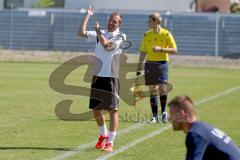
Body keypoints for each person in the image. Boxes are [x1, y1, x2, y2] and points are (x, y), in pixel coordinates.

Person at [78, 7, 126, 152]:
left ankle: (110, 142)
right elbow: (81, 33)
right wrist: (87, 16)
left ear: (119, 24)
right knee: (96, 108)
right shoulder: (102, 32)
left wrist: (99, 32)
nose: (111, 23)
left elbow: (107, 46)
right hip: (97, 75)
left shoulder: (121, 36)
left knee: (113, 110)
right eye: (110, 20)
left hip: (111, 76)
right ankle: (103, 136)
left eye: (115, 21)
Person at [168, 95, 240, 160]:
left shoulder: (195, 134)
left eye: (172, 115)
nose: (170, 119)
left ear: (181, 115)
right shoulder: (202, 128)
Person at [136, 13, 177, 123]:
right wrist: (139, 64)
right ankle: (154, 116)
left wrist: (161, 49)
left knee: (163, 88)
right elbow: (143, 51)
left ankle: (163, 113)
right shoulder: (146, 35)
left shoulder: (166, 34)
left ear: (155, 22)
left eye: (149, 21)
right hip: (150, 64)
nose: (147, 23)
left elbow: (174, 50)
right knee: (152, 89)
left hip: (162, 63)